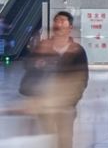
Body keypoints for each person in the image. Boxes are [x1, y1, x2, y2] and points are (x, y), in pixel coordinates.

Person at [19, 11, 88, 148]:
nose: (58, 24)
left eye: (62, 21)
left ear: (70, 27)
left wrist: (71, 101)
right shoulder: (43, 47)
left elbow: (83, 79)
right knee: (47, 141)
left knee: (65, 141)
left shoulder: (77, 51)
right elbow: (29, 70)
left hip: (65, 106)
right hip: (44, 105)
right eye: (56, 21)